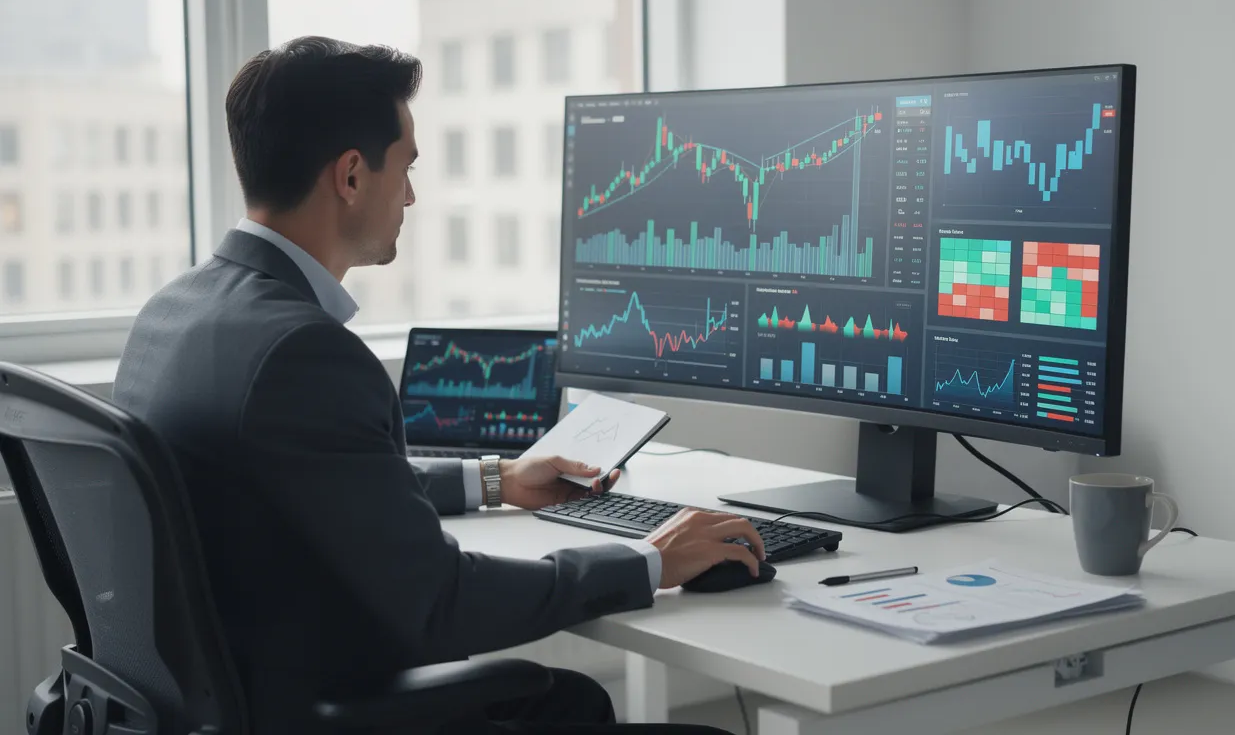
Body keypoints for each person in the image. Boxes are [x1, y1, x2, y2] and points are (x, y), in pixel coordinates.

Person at [112, 36, 765, 735]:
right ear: (352, 176)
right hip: (314, 709)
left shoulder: (176, 313)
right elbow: (440, 604)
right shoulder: (303, 352)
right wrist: (649, 559)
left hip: (231, 698)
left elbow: (321, 483)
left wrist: (497, 479)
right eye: (407, 167)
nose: (413, 195)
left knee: (570, 702)